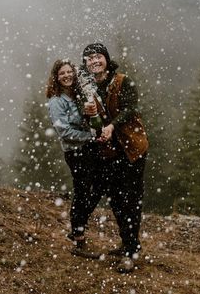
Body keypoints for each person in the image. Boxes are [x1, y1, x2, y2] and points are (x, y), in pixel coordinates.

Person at [82, 43, 149, 273]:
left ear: (107, 60)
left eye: (98, 57)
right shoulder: (89, 89)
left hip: (132, 149)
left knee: (131, 200)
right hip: (109, 153)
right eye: (89, 59)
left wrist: (112, 126)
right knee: (117, 201)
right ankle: (127, 243)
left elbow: (131, 109)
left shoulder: (123, 81)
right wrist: (93, 123)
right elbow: (92, 122)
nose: (94, 61)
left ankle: (131, 251)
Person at [46, 59, 101, 259]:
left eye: (70, 72)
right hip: (76, 152)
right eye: (62, 73)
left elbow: (88, 117)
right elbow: (64, 131)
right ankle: (79, 239)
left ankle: (78, 225)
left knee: (97, 186)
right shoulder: (56, 101)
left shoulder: (79, 95)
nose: (67, 75)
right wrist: (89, 136)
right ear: (56, 77)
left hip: (89, 148)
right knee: (82, 191)